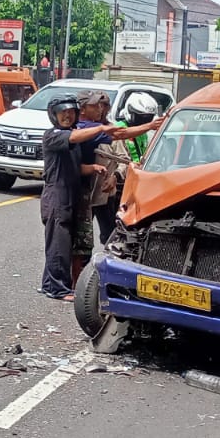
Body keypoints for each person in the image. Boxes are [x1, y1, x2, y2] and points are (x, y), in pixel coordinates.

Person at [39, 94, 118, 301]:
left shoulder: (71, 135)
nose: (68, 116)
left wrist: (92, 167)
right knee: (59, 244)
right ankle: (58, 289)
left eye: (71, 112)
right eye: (63, 113)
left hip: (69, 196)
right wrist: (101, 128)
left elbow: (75, 166)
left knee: (62, 242)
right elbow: (75, 138)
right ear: (53, 115)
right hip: (57, 197)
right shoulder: (54, 135)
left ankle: (49, 284)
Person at [75, 90, 162, 247]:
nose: (101, 109)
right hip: (83, 193)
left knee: (109, 235)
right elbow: (121, 134)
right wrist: (149, 126)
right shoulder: (87, 130)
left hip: (105, 192)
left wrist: (114, 176)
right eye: (97, 106)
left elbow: (123, 159)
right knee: (81, 242)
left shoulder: (106, 129)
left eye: (104, 106)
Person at [117, 92, 161, 164]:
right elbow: (123, 133)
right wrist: (150, 126)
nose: (144, 121)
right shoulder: (119, 127)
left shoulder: (143, 132)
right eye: (141, 117)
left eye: (148, 118)